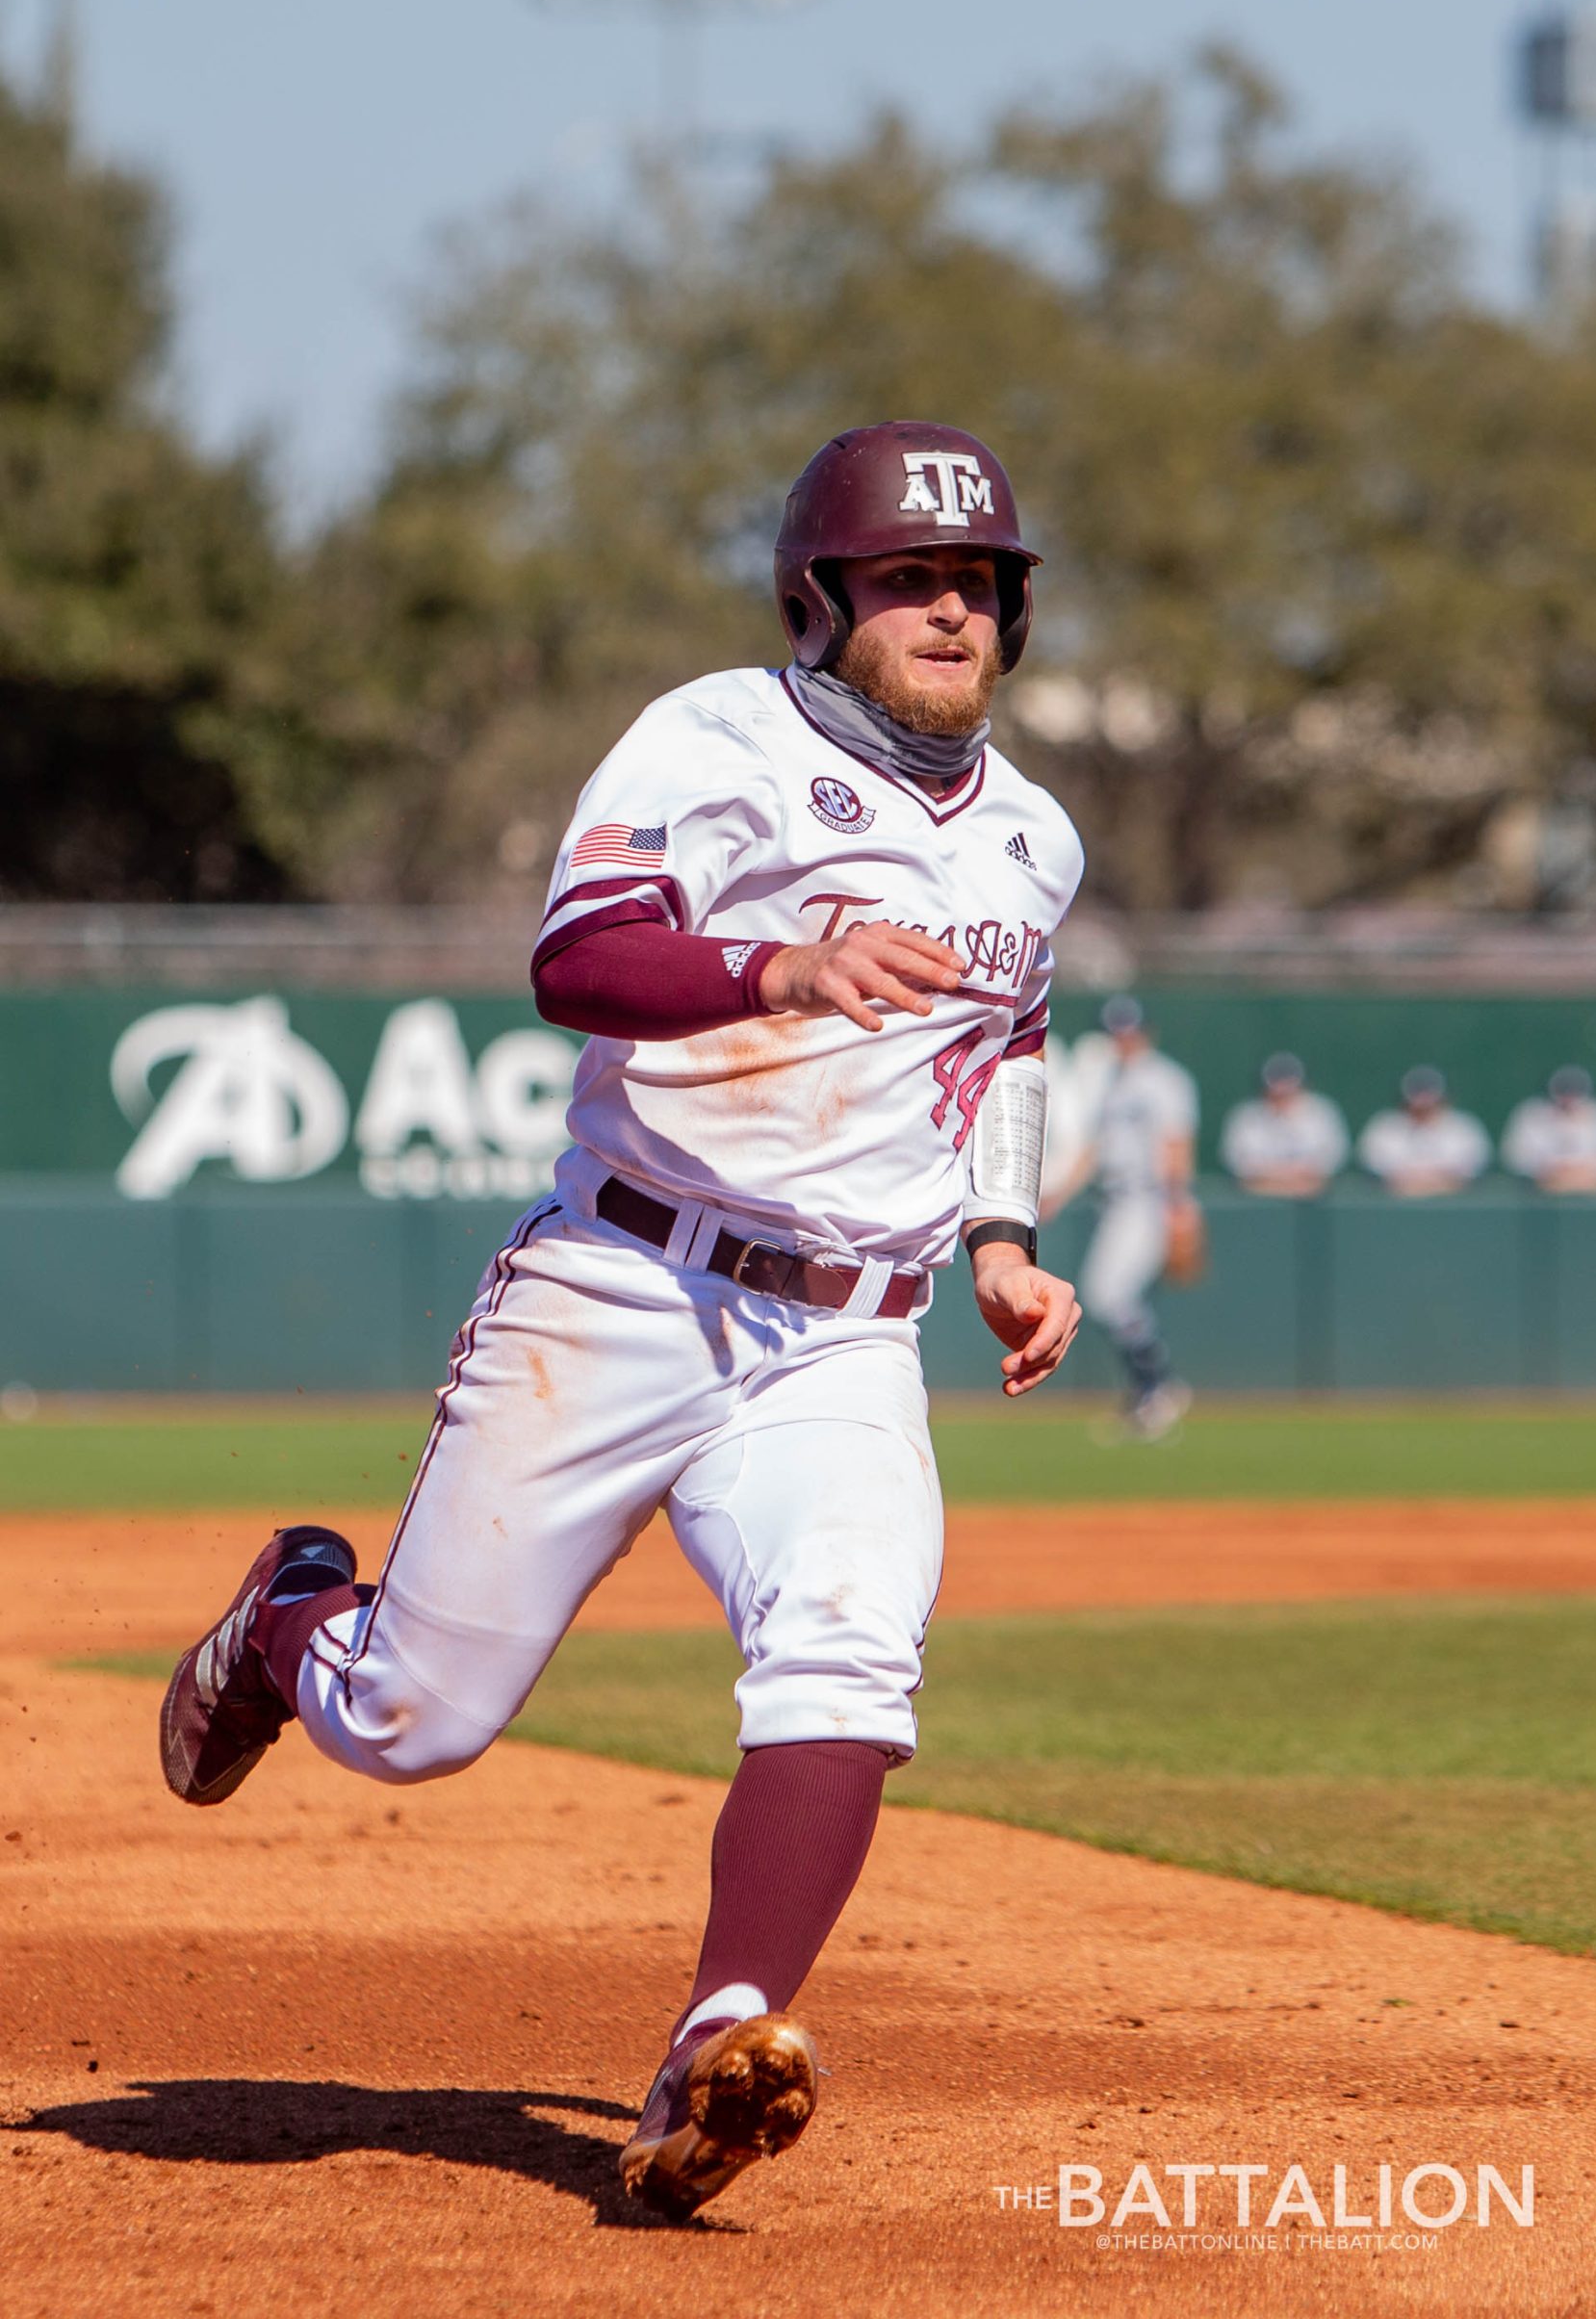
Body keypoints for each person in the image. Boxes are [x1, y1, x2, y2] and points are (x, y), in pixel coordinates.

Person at [157, 421, 1084, 2224]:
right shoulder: (713, 734)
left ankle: (717, 2040)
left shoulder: (1033, 839)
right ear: (821, 600)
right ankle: (285, 1625)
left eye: (977, 584)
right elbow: (574, 958)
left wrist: (998, 1235)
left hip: (844, 1335)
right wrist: (775, 967)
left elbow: (1011, 1041)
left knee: (849, 1645)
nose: (952, 612)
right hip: (625, 1280)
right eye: (908, 579)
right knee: (414, 1718)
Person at [1046, 994, 1197, 1438]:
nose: (1122, 1039)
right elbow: (1093, 1151)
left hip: (1149, 1199)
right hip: (1115, 1200)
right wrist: (1058, 1194)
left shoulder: (1166, 1079)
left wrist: (1178, 1204)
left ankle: (1157, 1387)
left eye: (1129, 1030)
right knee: (1104, 1295)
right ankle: (1154, 1387)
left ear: (1145, 1032)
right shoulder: (1112, 1082)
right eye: (1115, 1031)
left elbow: (1176, 1144)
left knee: (1109, 1294)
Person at [1220, 1052, 1349, 1198]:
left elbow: (1327, 1169)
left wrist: (1287, 1180)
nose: (1282, 1089)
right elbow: (1243, 1172)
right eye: (1276, 1082)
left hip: (1313, 1207)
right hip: (1256, 1207)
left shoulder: (1323, 1113)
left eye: (1289, 1082)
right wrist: (1284, 1182)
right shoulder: (1245, 1117)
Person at [1358, 1067, 1490, 1197]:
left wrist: (1435, 1182)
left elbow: (1470, 1173)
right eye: (1417, 1094)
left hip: (1454, 1208)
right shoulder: (1384, 1127)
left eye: (1429, 1094)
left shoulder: (1464, 1127)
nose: (1422, 1101)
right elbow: (1378, 1174)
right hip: (1393, 1210)